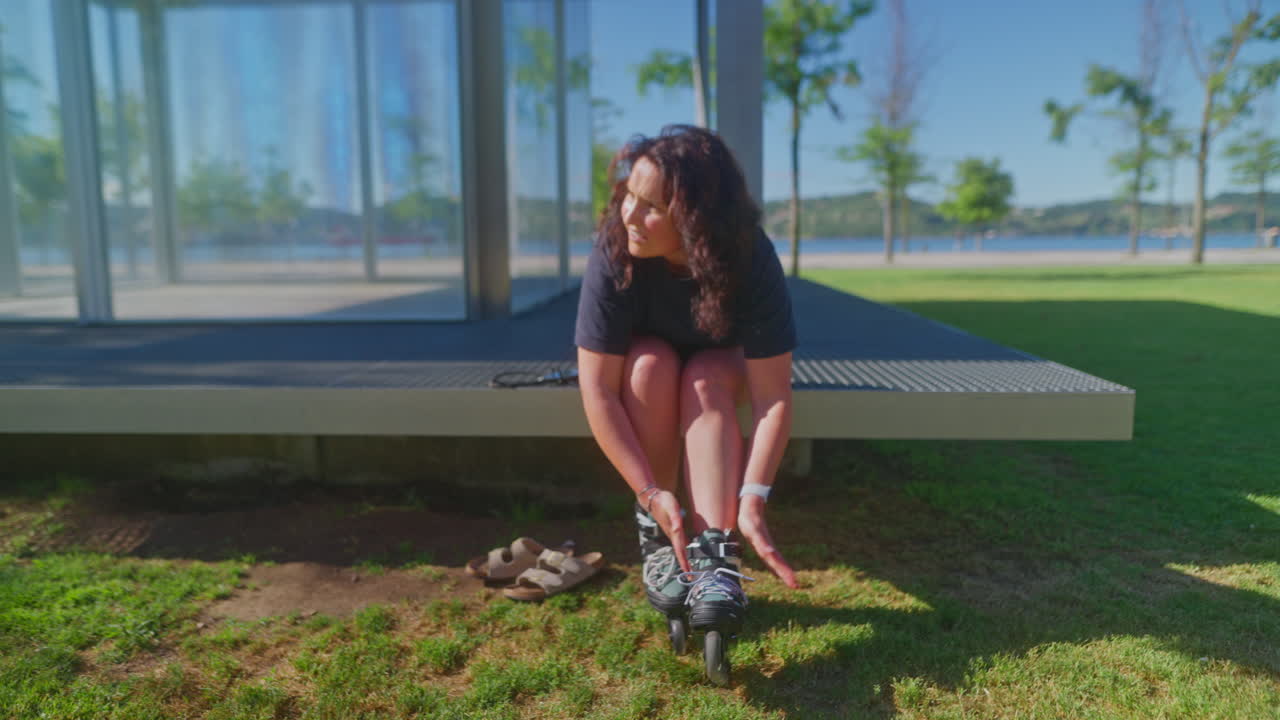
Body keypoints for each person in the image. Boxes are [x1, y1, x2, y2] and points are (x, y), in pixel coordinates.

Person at [573, 125, 798, 668]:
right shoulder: (615, 249)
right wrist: (650, 492)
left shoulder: (748, 256)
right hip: (641, 371)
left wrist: (753, 498)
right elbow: (598, 389)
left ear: (696, 220)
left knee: (704, 376)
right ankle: (659, 532)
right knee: (650, 363)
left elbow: (772, 399)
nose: (630, 213)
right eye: (630, 193)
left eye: (652, 207)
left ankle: (715, 550)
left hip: (722, 366)